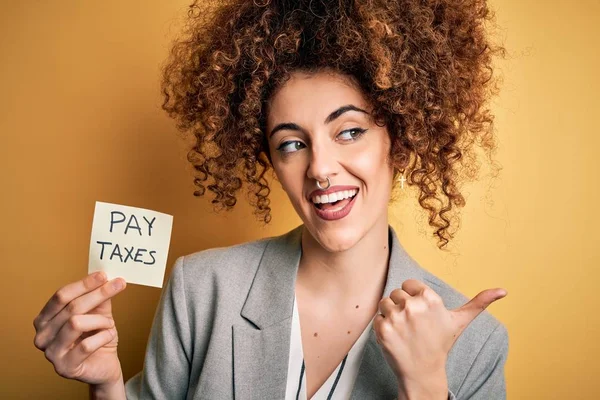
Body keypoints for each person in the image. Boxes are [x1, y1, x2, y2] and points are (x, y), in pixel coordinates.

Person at [33, 0, 509, 399]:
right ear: (272, 161)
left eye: (349, 131)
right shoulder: (201, 289)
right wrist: (108, 384)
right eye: (292, 143)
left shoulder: (476, 344)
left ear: (399, 140)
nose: (320, 169)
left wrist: (425, 383)